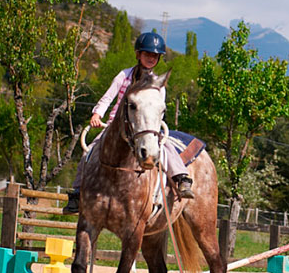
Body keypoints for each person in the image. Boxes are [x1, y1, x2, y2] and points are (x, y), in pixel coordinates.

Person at [63, 32, 194, 214]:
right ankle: (77, 193)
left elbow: (158, 109)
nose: (150, 58)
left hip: (146, 127)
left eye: (154, 56)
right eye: (147, 54)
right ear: (138, 55)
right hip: (118, 125)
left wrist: (155, 128)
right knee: (90, 151)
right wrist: (97, 113)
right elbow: (109, 96)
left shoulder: (158, 84)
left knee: (165, 147)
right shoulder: (124, 75)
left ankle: (181, 178)